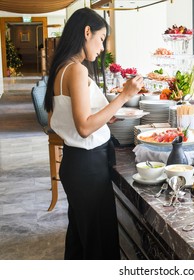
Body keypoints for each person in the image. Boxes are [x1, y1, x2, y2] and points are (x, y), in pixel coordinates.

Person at [44, 7, 143, 260]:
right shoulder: (77, 70)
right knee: (100, 245)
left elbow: (57, 119)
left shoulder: (61, 68)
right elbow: (84, 127)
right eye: (100, 39)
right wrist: (125, 96)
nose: (101, 48)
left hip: (76, 163)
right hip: (88, 166)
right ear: (86, 32)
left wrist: (104, 116)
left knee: (81, 240)